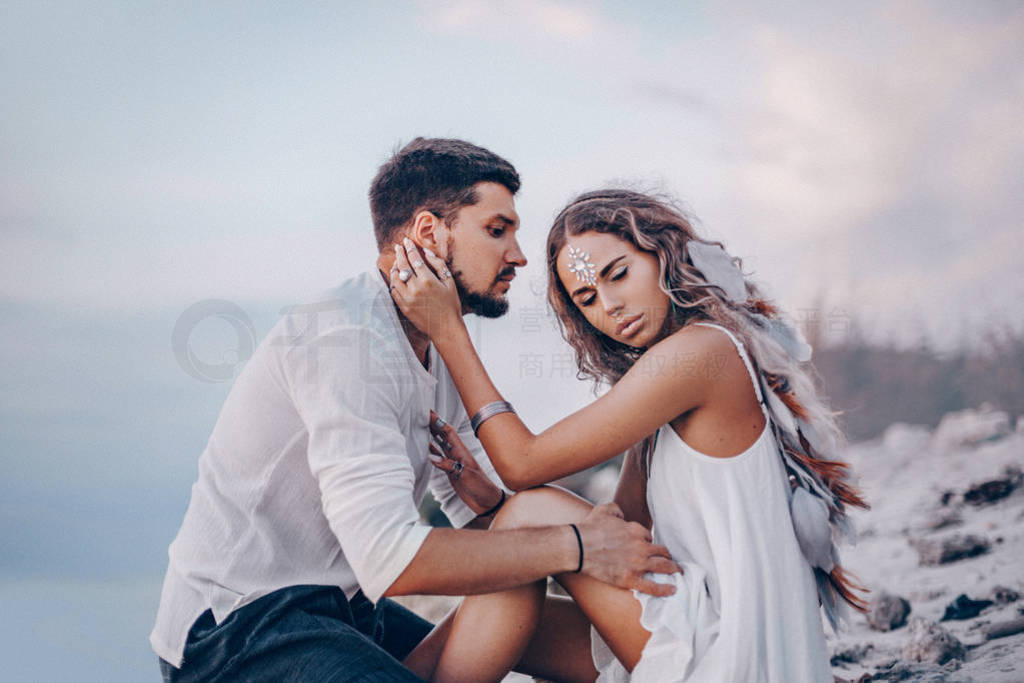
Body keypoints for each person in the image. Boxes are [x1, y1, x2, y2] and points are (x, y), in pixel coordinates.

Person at [151, 142, 681, 682]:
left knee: (591, 645)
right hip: (240, 628)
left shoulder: (432, 342)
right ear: (429, 233)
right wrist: (577, 545)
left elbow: (489, 519)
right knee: (541, 550)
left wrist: (518, 518)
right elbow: (389, 557)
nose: (519, 256)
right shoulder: (350, 341)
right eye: (497, 231)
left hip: (348, 610)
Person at [391, 188, 870, 681]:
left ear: (662, 253)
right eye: (587, 299)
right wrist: (495, 507)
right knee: (510, 610)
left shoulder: (702, 352)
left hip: (732, 655)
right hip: (698, 625)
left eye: (617, 274)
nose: (611, 306)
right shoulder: (668, 380)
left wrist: (447, 330)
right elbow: (619, 537)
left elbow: (523, 462)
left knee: (533, 508)